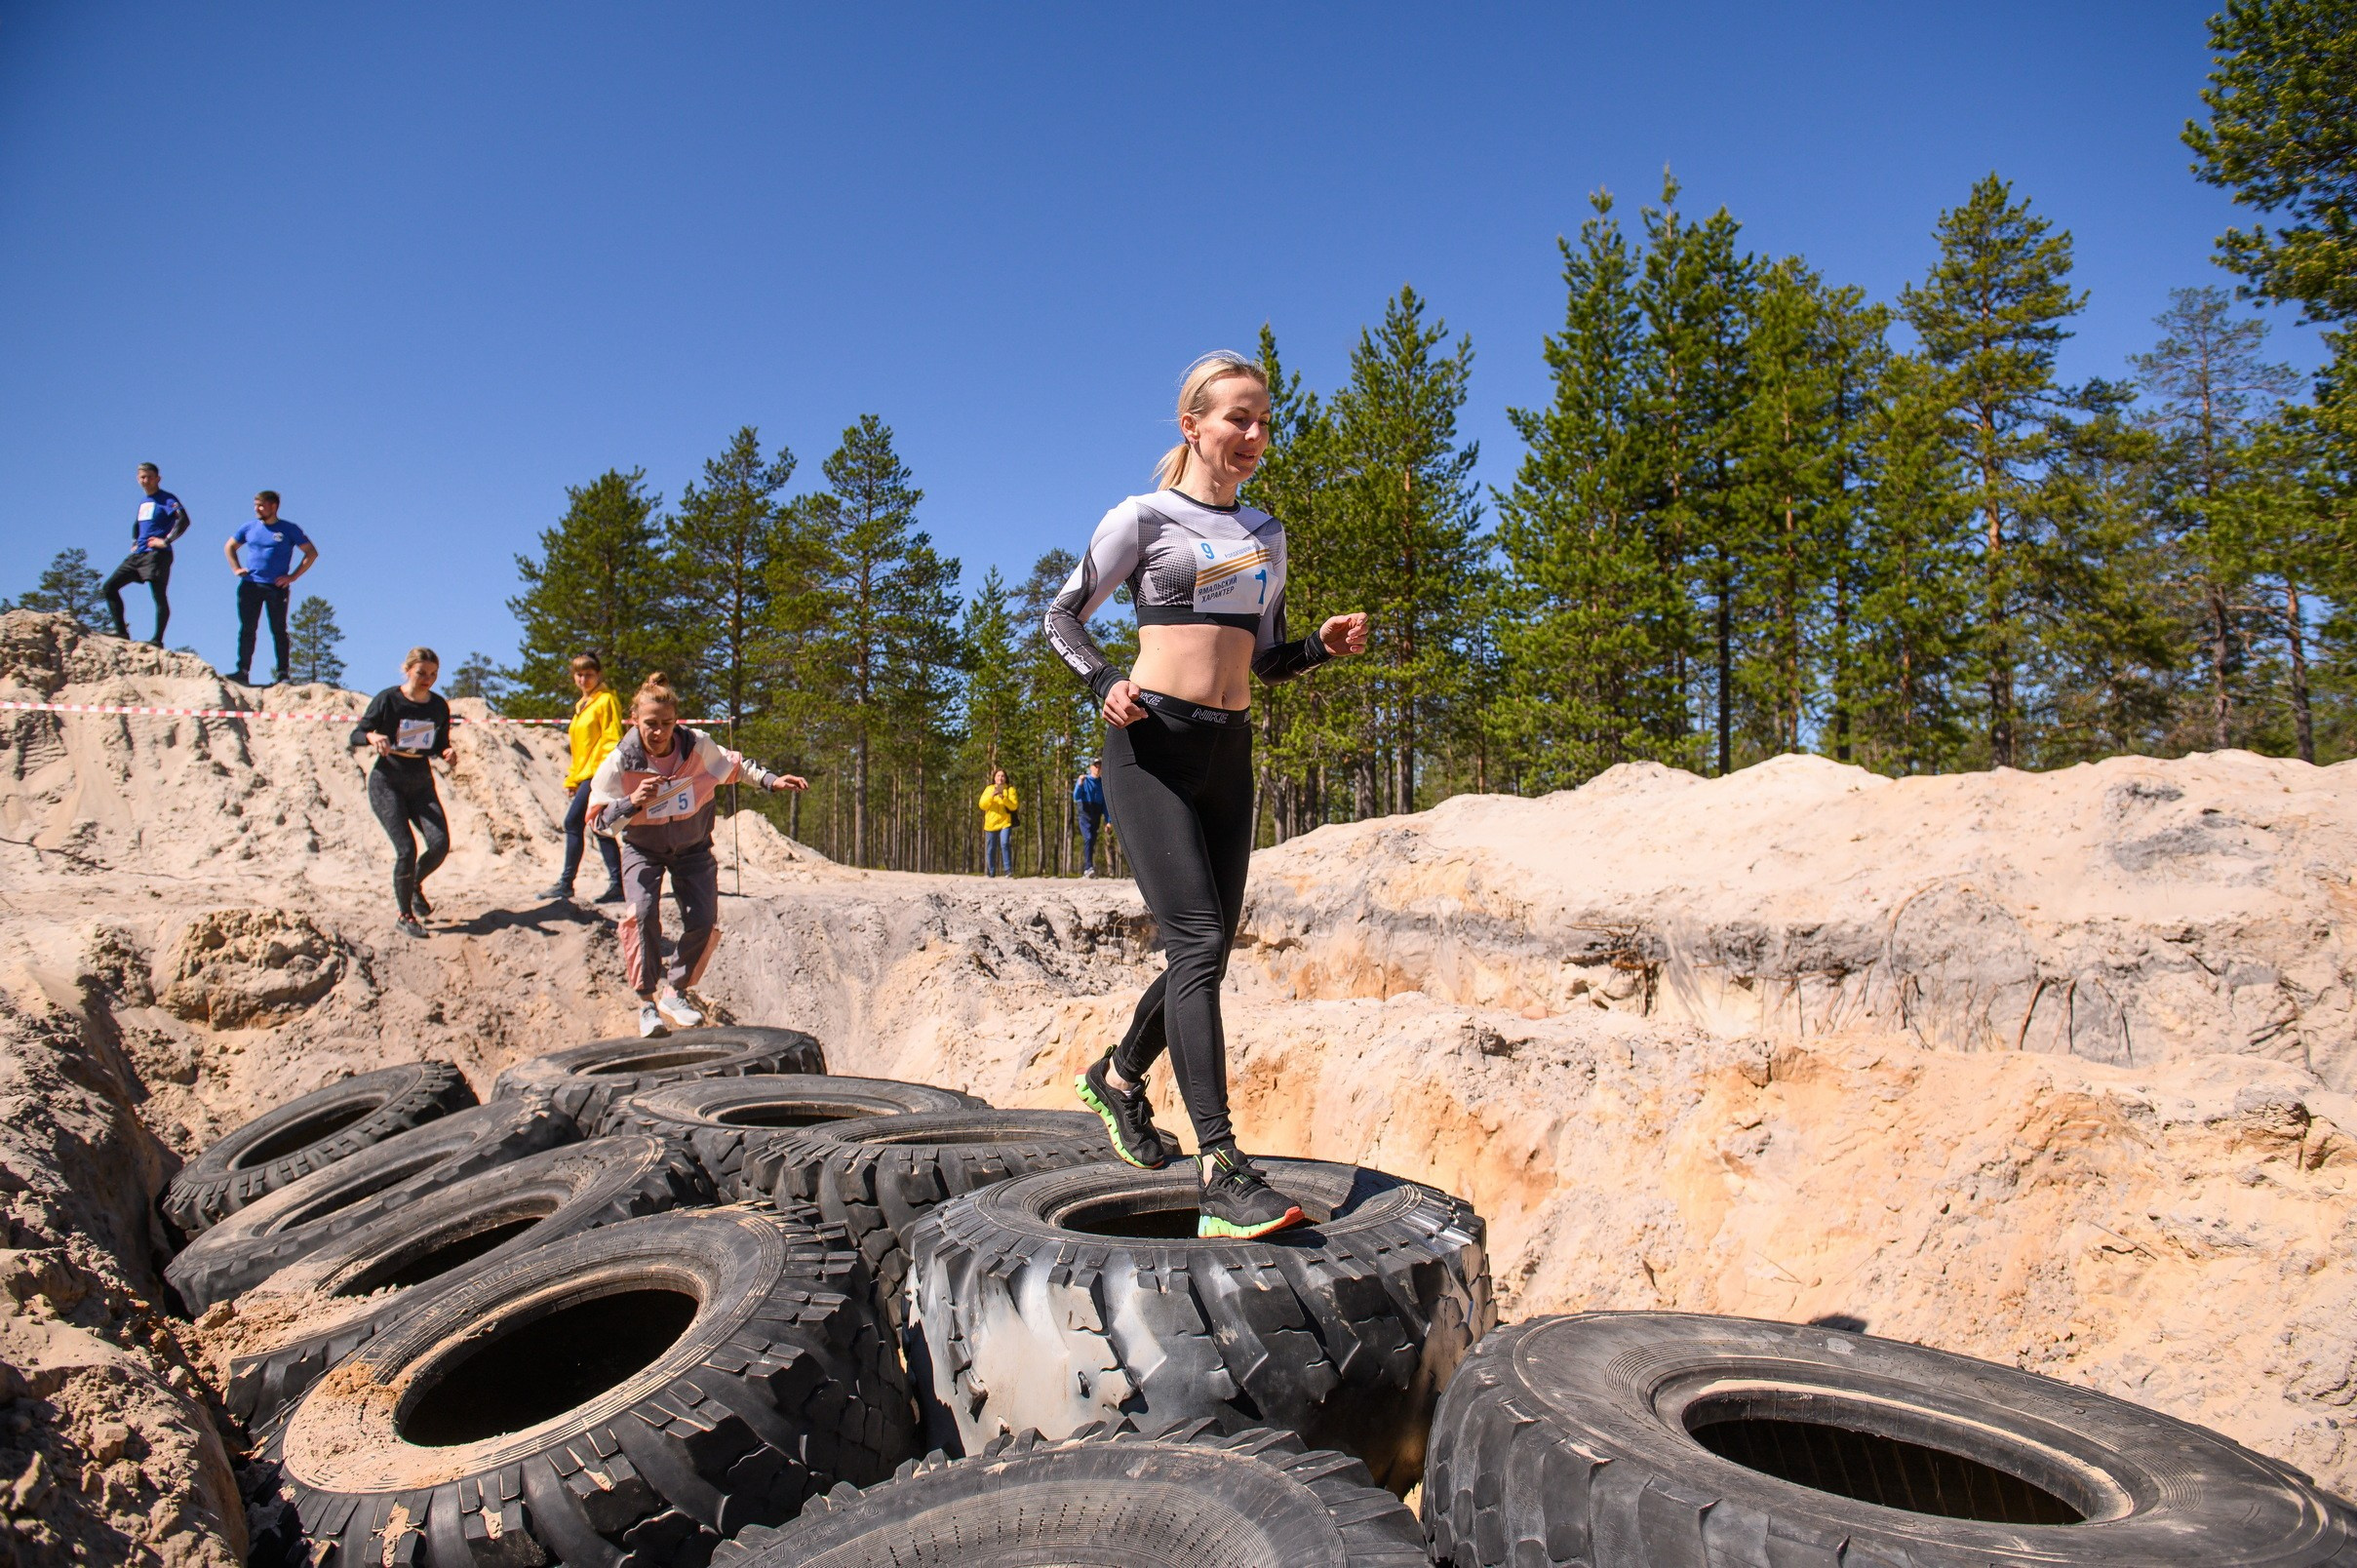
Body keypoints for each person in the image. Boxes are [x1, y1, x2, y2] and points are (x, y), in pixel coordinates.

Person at [1047, 351, 1368, 1239]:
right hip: (1148, 747)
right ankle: (1221, 1166)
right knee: (1193, 942)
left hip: (1229, 752)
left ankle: (1116, 1077)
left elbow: (1257, 656)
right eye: (1238, 418)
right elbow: (1061, 613)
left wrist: (1317, 647)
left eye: (1265, 421)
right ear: (1193, 425)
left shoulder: (1265, 533)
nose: (1255, 436)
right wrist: (1101, 678)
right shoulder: (1143, 518)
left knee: (1208, 951)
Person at [588, 673, 807, 1039]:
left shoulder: (695, 746)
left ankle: (676, 991)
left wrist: (771, 780)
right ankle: (646, 1003)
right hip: (644, 849)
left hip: (693, 847)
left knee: (704, 920)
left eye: (666, 724)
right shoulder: (620, 762)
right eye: (650, 725)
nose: (658, 732)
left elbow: (733, 765)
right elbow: (597, 822)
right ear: (634, 721)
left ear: (677, 722)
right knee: (640, 915)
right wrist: (631, 801)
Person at [350, 647, 454, 940]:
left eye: (433, 675)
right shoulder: (388, 699)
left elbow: (439, 744)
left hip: (421, 781)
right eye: (422, 673)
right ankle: (405, 915)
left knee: (440, 844)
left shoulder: (438, 706)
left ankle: (415, 885)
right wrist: (372, 736)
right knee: (406, 850)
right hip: (387, 781)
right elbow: (356, 734)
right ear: (407, 669)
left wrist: (447, 752)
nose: (428, 680)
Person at [543, 652, 625, 903]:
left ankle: (567, 882)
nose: (583, 678)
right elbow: (580, 749)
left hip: (599, 773)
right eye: (579, 674)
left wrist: (598, 775)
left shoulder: (606, 700)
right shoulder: (583, 705)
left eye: (588, 674)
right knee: (599, 826)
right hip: (586, 774)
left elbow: (611, 739)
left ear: (598, 674)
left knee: (572, 822)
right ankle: (617, 885)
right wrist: (573, 779)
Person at [222, 490, 318, 686]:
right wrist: (236, 568)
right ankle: (242, 671)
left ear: (273, 506)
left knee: (278, 630)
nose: (257, 509)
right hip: (250, 584)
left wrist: (293, 576)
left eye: (261, 505)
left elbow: (311, 552)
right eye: (255, 505)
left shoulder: (288, 529)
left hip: (276, 587)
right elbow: (229, 546)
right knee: (247, 628)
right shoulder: (249, 527)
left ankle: (283, 674)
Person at [102, 462, 189, 645]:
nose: (146, 480)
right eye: (142, 477)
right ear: (137, 479)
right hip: (138, 554)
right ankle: (121, 633)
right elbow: (138, 524)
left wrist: (166, 541)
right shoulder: (144, 502)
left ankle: (157, 639)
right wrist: (134, 542)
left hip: (157, 555)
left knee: (158, 595)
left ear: (158, 478)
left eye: (150, 477)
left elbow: (184, 520)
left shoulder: (166, 499)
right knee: (109, 587)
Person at [977, 769, 1019, 877]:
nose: (1000, 778)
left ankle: (1008, 870)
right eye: (998, 776)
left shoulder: (1010, 789)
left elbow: (1014, 806)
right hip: (990, 824)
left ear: (1006, 778)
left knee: (1005, 844)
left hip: (1005, 822)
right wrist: (992, 796)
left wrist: (1003, 798)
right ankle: (991, 872)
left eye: (1002, 776)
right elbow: (982, 805)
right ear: (994, 778)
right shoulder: (989, 789)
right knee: (991, 848)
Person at [1072, 760, 1108, 878]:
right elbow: (1076, 796)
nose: (1097, 768)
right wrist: (1080, 783)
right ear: (1091, 767)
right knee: (1088, 837)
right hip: (1084, 814)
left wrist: (1108, 822)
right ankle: (1088, 867)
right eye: (1095, 766)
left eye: (1099, 766)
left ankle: (1088, 868)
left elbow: (1105, 805)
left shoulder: (1103, 784)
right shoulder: (1084, 780)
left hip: (1096, 815)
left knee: (1092, 841)